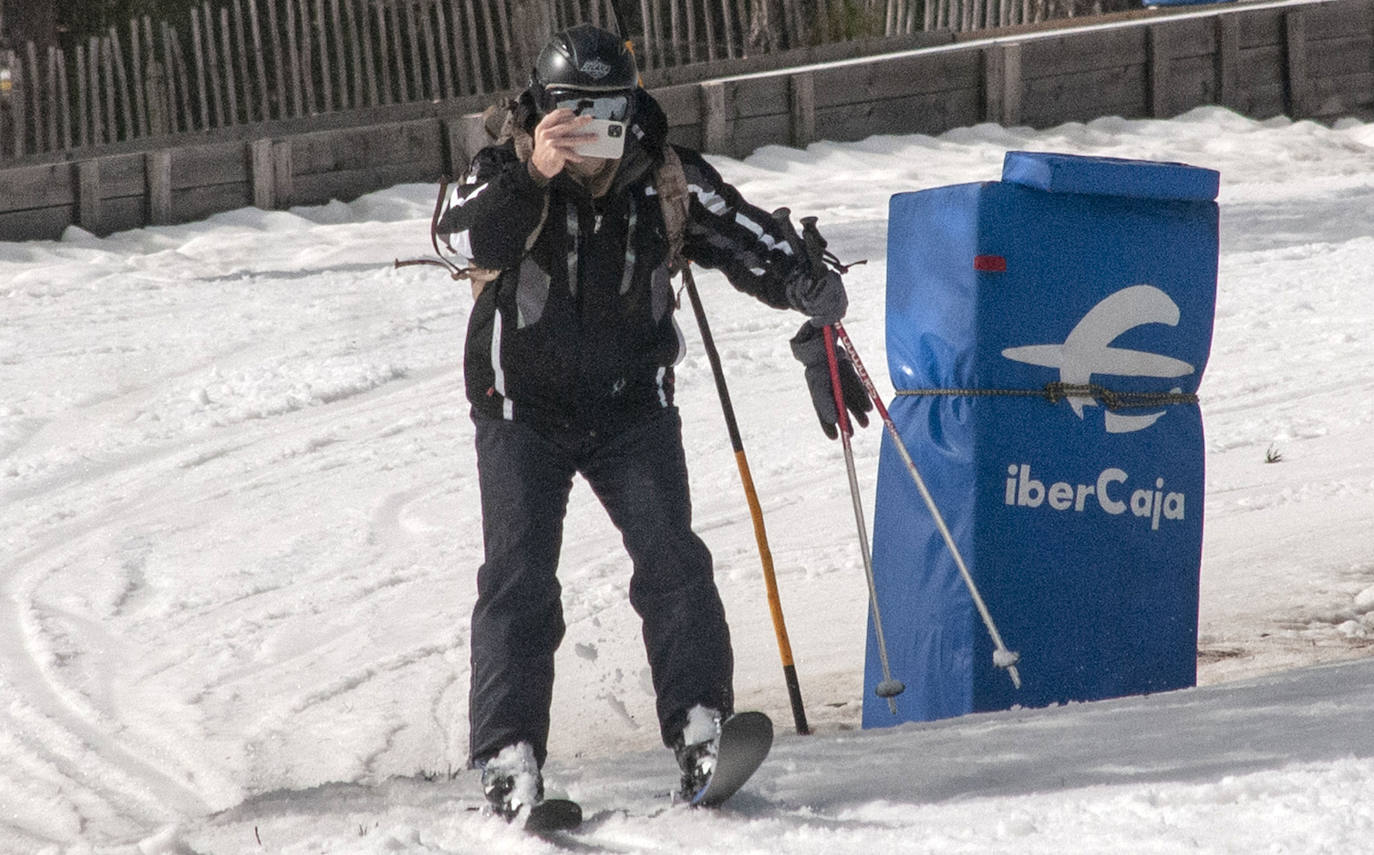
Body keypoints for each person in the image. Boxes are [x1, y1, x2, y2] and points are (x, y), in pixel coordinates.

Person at [434, 22, 871, 818]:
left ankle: (702, 729)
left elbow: (741, 232)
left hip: (632, 405)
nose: (594, 129)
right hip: (521, 409)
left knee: (673, 562)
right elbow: (457, 232)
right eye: (574, 108)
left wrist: (804, 279)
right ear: (543, 107)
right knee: (520, 580)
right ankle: (508, 755)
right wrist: (536, 170)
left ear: (631, 105)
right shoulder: (506, 167)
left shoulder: (661, 176)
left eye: (608, 109)